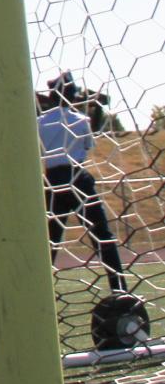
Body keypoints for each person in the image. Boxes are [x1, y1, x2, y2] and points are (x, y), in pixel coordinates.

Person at [38, 74, 127, 293]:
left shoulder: (39, 123)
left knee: (49, 240)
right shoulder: (81, 120)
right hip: (77, 179)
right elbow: (87, 145)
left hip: (52, 181)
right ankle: (119, 287)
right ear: (71, 95)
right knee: (102, 235)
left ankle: (38, 290)